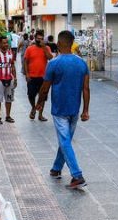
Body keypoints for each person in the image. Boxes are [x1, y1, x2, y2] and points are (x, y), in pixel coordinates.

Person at [36, 30, 90, 189]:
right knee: (65, 140)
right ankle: (56, 168)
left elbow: (45, 88)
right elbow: (86, 89)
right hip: (75, 110)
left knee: (64, 141)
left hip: (59, 110)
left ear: (59, 44)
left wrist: (40, 103)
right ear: (72, 44)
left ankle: (77, 175)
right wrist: (85, 110)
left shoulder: (53, 63)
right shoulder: (82, 63)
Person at [23, 30, 53, 121]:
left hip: (44, 77)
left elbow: (50, 58)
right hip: (32, 76)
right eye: (38, 39)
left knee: (42, 96)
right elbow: (25, 61)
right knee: (31, 95)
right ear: (35, 39)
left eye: (41, 39)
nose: (40, 40)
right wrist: (27, 74)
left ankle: (40, 114)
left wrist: (44, 47)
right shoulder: (30, 48)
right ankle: (33, 107)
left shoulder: (47, 48)